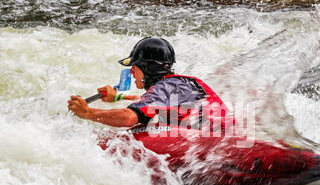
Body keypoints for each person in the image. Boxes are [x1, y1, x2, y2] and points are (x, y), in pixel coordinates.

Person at [68, 37, 233, 131]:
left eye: (135, 66)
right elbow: (153, 102)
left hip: (210, 145)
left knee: (134, 131)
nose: (131, 71)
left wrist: (88, 112)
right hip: (223, 139)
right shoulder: (180, 83)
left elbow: (128, 118)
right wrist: (118, 96)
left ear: (147, 67)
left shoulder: (166, 86)